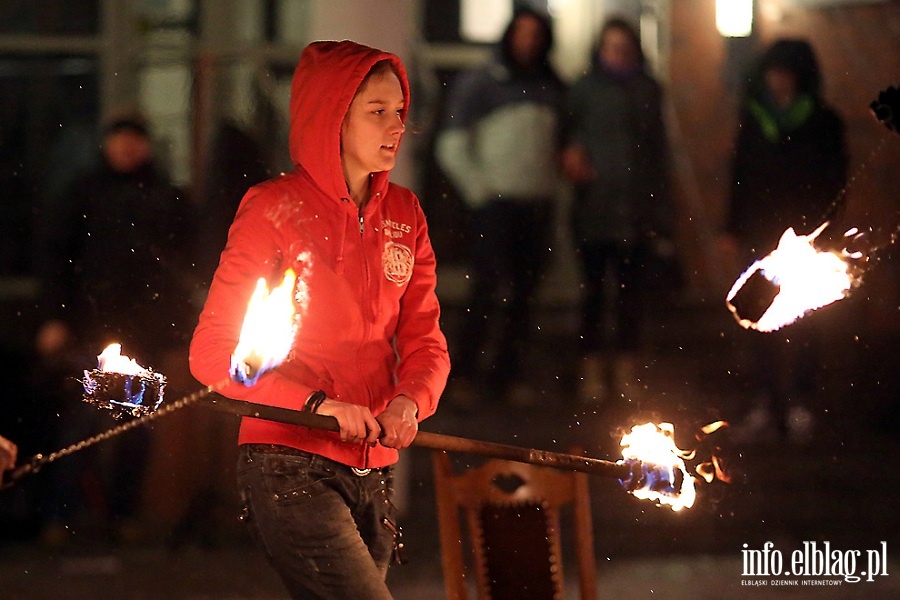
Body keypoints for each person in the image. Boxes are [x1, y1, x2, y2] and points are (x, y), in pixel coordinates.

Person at [189, 41, 450, 600]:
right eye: (376, 111)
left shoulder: (406, 214)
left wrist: (410, 402)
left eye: (399, 111)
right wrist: (316, 407)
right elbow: (212, 354)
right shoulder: (272, 208)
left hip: (374, 468)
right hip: (289, 461)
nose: (395, 126)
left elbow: (426, 339)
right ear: (333, 116)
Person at [35, 113, 196, 540]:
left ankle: (122, 516)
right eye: (118, 139)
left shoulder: (165, 196)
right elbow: (55, 259)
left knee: (136, 427)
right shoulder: (82, 193)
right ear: (107, 144)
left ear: (145, 145)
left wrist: (177, 325)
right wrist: (54, 316)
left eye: (133, 140)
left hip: (145, 329)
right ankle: (59, 516)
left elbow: (180, 266)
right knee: (80, 422)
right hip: (88, 325)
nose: (125, 148)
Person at [435, 7, 565, 406]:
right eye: (522, 34)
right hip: (496, 206)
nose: (528, 42)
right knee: (488, 289)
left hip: (537, 204)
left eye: (535, 35)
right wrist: (481, 192)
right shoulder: (480, 84)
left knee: (525, 294)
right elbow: (451, 144)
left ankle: (507, 377)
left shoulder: (552, 87)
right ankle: (465, 376)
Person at [722, 39, 847, 442]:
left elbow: (835, 181)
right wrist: (732, 227)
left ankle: (801, 402)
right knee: (757, 320)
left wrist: (823, 229)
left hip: (806, 237)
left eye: (786, 73)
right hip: (760, 234)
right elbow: (739, 175)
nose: (778, 81)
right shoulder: (755, 118)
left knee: (806, 323)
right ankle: (765, 400)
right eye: (773, 73)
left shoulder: (823, 121)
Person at [561, 17, 674, 404]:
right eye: (611, 47)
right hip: (595, 206)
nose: (618, 54)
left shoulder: (647, 90)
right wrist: (573, 157)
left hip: (636, 208)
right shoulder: (584, 90)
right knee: (593, 292)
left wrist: (661, 210)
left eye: (624, 47)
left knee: (630, 296)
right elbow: (566, 135)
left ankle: (626, 371)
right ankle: (590, 369)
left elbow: (659, 152)